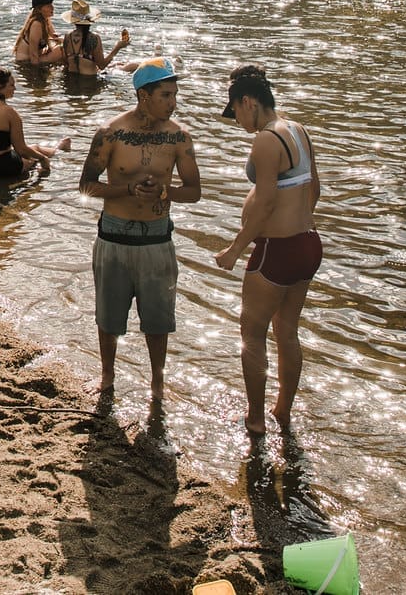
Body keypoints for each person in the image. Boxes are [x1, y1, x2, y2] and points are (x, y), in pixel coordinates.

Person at [78, 58, 200, 423]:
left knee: (159, 320)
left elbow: (194, 192)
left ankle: (158, 385)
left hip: (157, 239)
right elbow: (85, 185)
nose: (172, 102)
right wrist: (127, 189)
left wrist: (166, 192)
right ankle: (107, 377)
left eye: (175, 95)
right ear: (143, 96)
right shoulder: (111, 133)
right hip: (115, 235)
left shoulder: (179, 137)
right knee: (109, 317)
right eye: (165, 95)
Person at [214, 64, 322, 435]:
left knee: (252, 334)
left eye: (236, 111)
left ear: (248, 102)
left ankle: (256, 419)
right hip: (308, 244)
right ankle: (282, 411)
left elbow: (264, 205)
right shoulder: (298, 129)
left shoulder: (265, 139)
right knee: (287, 331)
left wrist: (234, 248)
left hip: (276, 249)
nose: (238, 120)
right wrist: (298, 223)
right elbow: (315, 189)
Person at [0, 67, 68, 178]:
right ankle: (58, 148)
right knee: (34, 156)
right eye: (11, 85)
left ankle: (58, 147)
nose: (15, 89)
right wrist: (42, 159)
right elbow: (21, 150)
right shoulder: (10, 113)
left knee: (34, 149)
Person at [63, 0, 130, 76]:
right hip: (89, 82)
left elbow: (66, 62)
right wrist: (118, 47)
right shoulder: (94, 38)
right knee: (129, 66)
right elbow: (102, 66)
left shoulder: (67, 36)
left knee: (117, 64)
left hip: (71, 81)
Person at [14, 0, 63, 65]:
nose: (52, 8)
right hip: (25, 63)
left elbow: (54, 38)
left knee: (65, 47)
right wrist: (36, 74)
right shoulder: (36, 24)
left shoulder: (46, 19)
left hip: (36, 57)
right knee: (61, 50)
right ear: (39, 9)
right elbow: (33, 54)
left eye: (51, 4)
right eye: (48, 6)